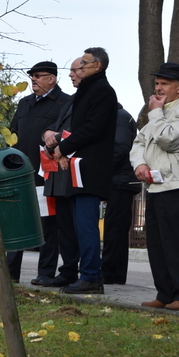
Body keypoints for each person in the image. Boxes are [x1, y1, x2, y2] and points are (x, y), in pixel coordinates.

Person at [130, 62, 179, 310]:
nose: (158, 88)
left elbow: (169, 140)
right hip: (155, 185)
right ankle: (165, 292)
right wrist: (140, 164)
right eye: (157, 83)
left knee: (175, 242)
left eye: (165, 84)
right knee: (156, 243)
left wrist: (156, 114)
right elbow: (139, 143)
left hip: (177, 184)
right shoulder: (157, 113)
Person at [45, 48, 118, 295]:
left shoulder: (102, 91)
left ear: (97, 66)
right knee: (78, 226)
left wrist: (64, 147)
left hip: (89, 169)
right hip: (79, 167)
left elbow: (92, 128)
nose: (76, 71)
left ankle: (91, 276)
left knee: (86, 226)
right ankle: (84, 274)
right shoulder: (87, 91)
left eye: (83, 64)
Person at [7, 61, 70, 283]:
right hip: (20, 171)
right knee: (17, 222)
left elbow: (66, 134)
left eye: (38, 76)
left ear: (51, 78)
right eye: (32, 76)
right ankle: (10, 272)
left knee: (47, 225)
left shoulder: (64, 102)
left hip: (47, 174)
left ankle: (45, 273)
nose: (33, 79)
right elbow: (13, 133)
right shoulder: (24, 103)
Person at [38, 58, 85, 288]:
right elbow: (58, 128)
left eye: (75, 70)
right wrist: (48, 134)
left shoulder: (79, 100)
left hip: (76, 170)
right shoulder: (72, 100)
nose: (71, 75)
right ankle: (68, 270)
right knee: (64, 225)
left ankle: (83, 272)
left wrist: (60, 143)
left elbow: (82, 131)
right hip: (59, 170)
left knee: (77, 226)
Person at [101, 103, 140, 285]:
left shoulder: (119, 118)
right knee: (117, 228)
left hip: (120, 180)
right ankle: (115, 273)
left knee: (114, 227)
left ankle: (109, 271)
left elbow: (120, 148)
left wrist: (101, 172)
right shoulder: (121, 117)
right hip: (122, 179)